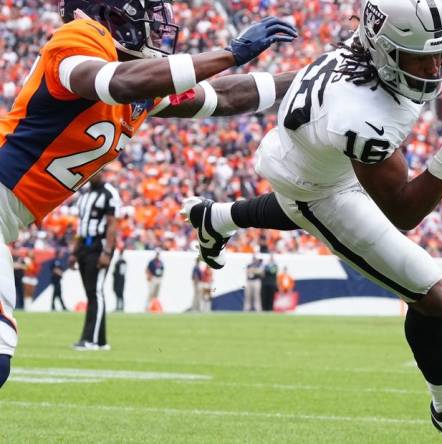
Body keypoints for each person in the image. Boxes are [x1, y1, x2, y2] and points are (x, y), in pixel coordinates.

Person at [182, 0, 442, 440]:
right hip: (317, 184)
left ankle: (215, 218)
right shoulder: (360, 115)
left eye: (440, 52)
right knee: (431, 295)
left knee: (307, 210)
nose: (434, 67)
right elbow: (405, 211)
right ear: (386, 52)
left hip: (316, 156)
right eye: (420, 57)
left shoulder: (390, 42)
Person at [0, 0, 297, 386]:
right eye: (146, 15)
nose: (158, 26)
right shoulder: (79, 38)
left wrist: (316, 77)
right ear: (110, 15)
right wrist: (228, 53)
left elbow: (223, 97)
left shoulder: (142, 87)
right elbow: (115, 82)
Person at [71, 171, 119, 350]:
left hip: (99, 245)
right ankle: (99, 340)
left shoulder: (109, 193)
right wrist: (74, 252)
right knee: (92, 293)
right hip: (84, 244)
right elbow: (80, 225)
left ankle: (90, 340)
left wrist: (107, 252)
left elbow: (113, 223)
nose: (94, 175)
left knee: (96, 292)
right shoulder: (84, 195)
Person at [112, 247, 126, 312]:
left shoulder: (122, 261)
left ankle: (121, 307)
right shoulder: (120, 261)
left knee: (120, 293)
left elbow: (121, 272)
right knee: (118, 293)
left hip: (120, 280)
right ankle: (118, 306)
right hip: (117, 279)